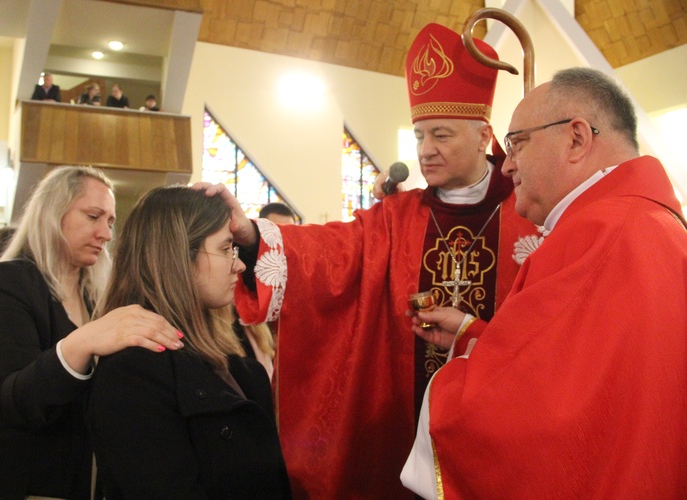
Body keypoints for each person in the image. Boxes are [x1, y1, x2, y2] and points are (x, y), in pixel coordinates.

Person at [195, 22, 540, 498]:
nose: (425, 151)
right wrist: (251, 234)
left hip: (505, 430)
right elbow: (329, 254)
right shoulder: (397, 216)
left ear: (484, 135)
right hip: (402, 429)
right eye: (419, 135)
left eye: (441, 135)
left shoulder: (532, 217)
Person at [401, 68, 687, 498]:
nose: (509, 163)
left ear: (576, 139)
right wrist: (470, 335)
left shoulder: (594, 236)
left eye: (517, 143)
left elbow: (530, 417)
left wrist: (449, 392)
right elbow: (587, 377)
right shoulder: (651, 223)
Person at [0, 166, 184, 499]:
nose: (107, 234)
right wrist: (82, 343)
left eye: (110, 222)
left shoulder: (93, 296)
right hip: (14, 483)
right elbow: (12, 399)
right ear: (51, 214)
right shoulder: (5, 283)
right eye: (93, 216)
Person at [87, 186, 292, 498]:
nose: (239, 265)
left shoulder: (236, 366)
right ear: (179, 257)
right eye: (226, 249)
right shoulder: (133, 373)